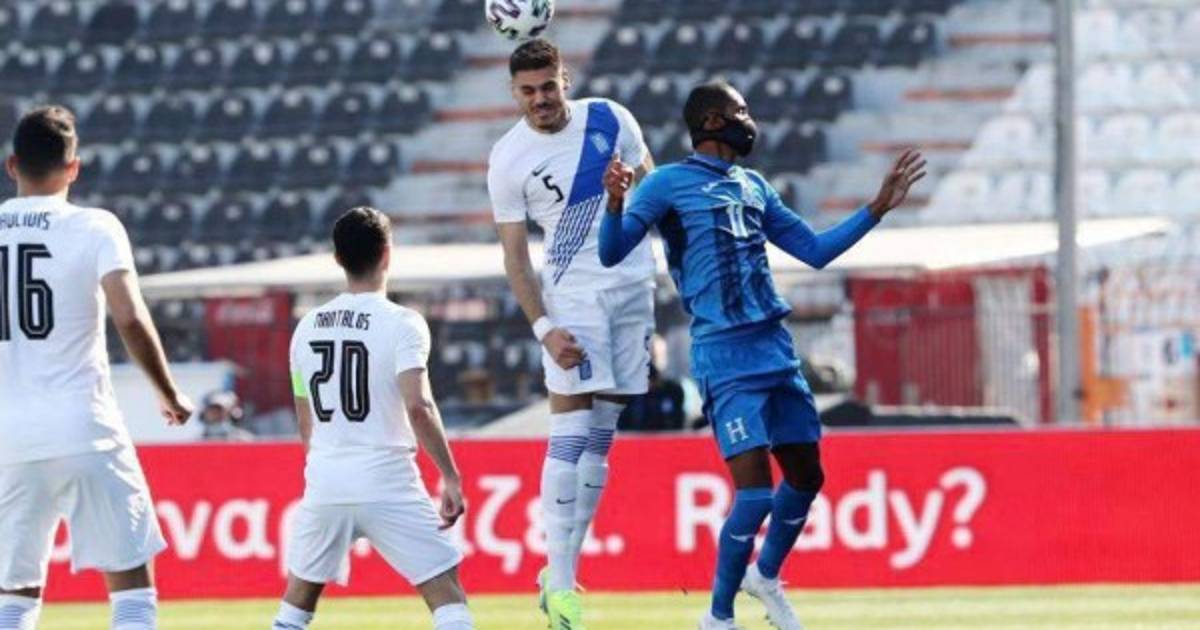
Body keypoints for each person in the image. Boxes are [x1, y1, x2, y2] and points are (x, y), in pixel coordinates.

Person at [598, 81, 926, 630]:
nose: (748, 121)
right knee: (753, 498)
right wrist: (614, 203)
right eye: (740, 111)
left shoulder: (753, 186)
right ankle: (718, 617)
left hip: (775, 349)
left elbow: (814, 251)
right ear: (710, 121)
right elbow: (611, 251)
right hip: (725, 357)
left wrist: (876, 209)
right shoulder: (667, 184)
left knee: (807, 476)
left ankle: (765, 576)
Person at [0, 106, 194, 630]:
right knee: (132, 589)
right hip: (84, 427)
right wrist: (167, 391)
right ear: (74, 168)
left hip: (8, 438)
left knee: (14, 594)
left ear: (12, 165)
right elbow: (129, 316)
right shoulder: (95, 226)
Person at [487, 38, 656, 629]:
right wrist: (544, 328)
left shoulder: (611, 118)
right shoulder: (508, 159)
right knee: (572, 429)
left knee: (602, 438)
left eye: (547, 86)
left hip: (632, 288)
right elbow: (515, 257)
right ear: (514, 93)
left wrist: (626, 192)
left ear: (565, 79)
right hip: (572, 301)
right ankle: (561, 587)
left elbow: (653, 190)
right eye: (527, 91)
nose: (540, 99)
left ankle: (560, 573)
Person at [273, 207, 472, 630]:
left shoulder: (305, 328)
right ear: (387, 254)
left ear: (337, 258)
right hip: (387, 480)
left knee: (296, 606)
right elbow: (419, 407)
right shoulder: (403, 323)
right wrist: (450, 476)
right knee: (447, 595)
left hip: (326, 481)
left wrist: (327, 468)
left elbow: (306, 422)